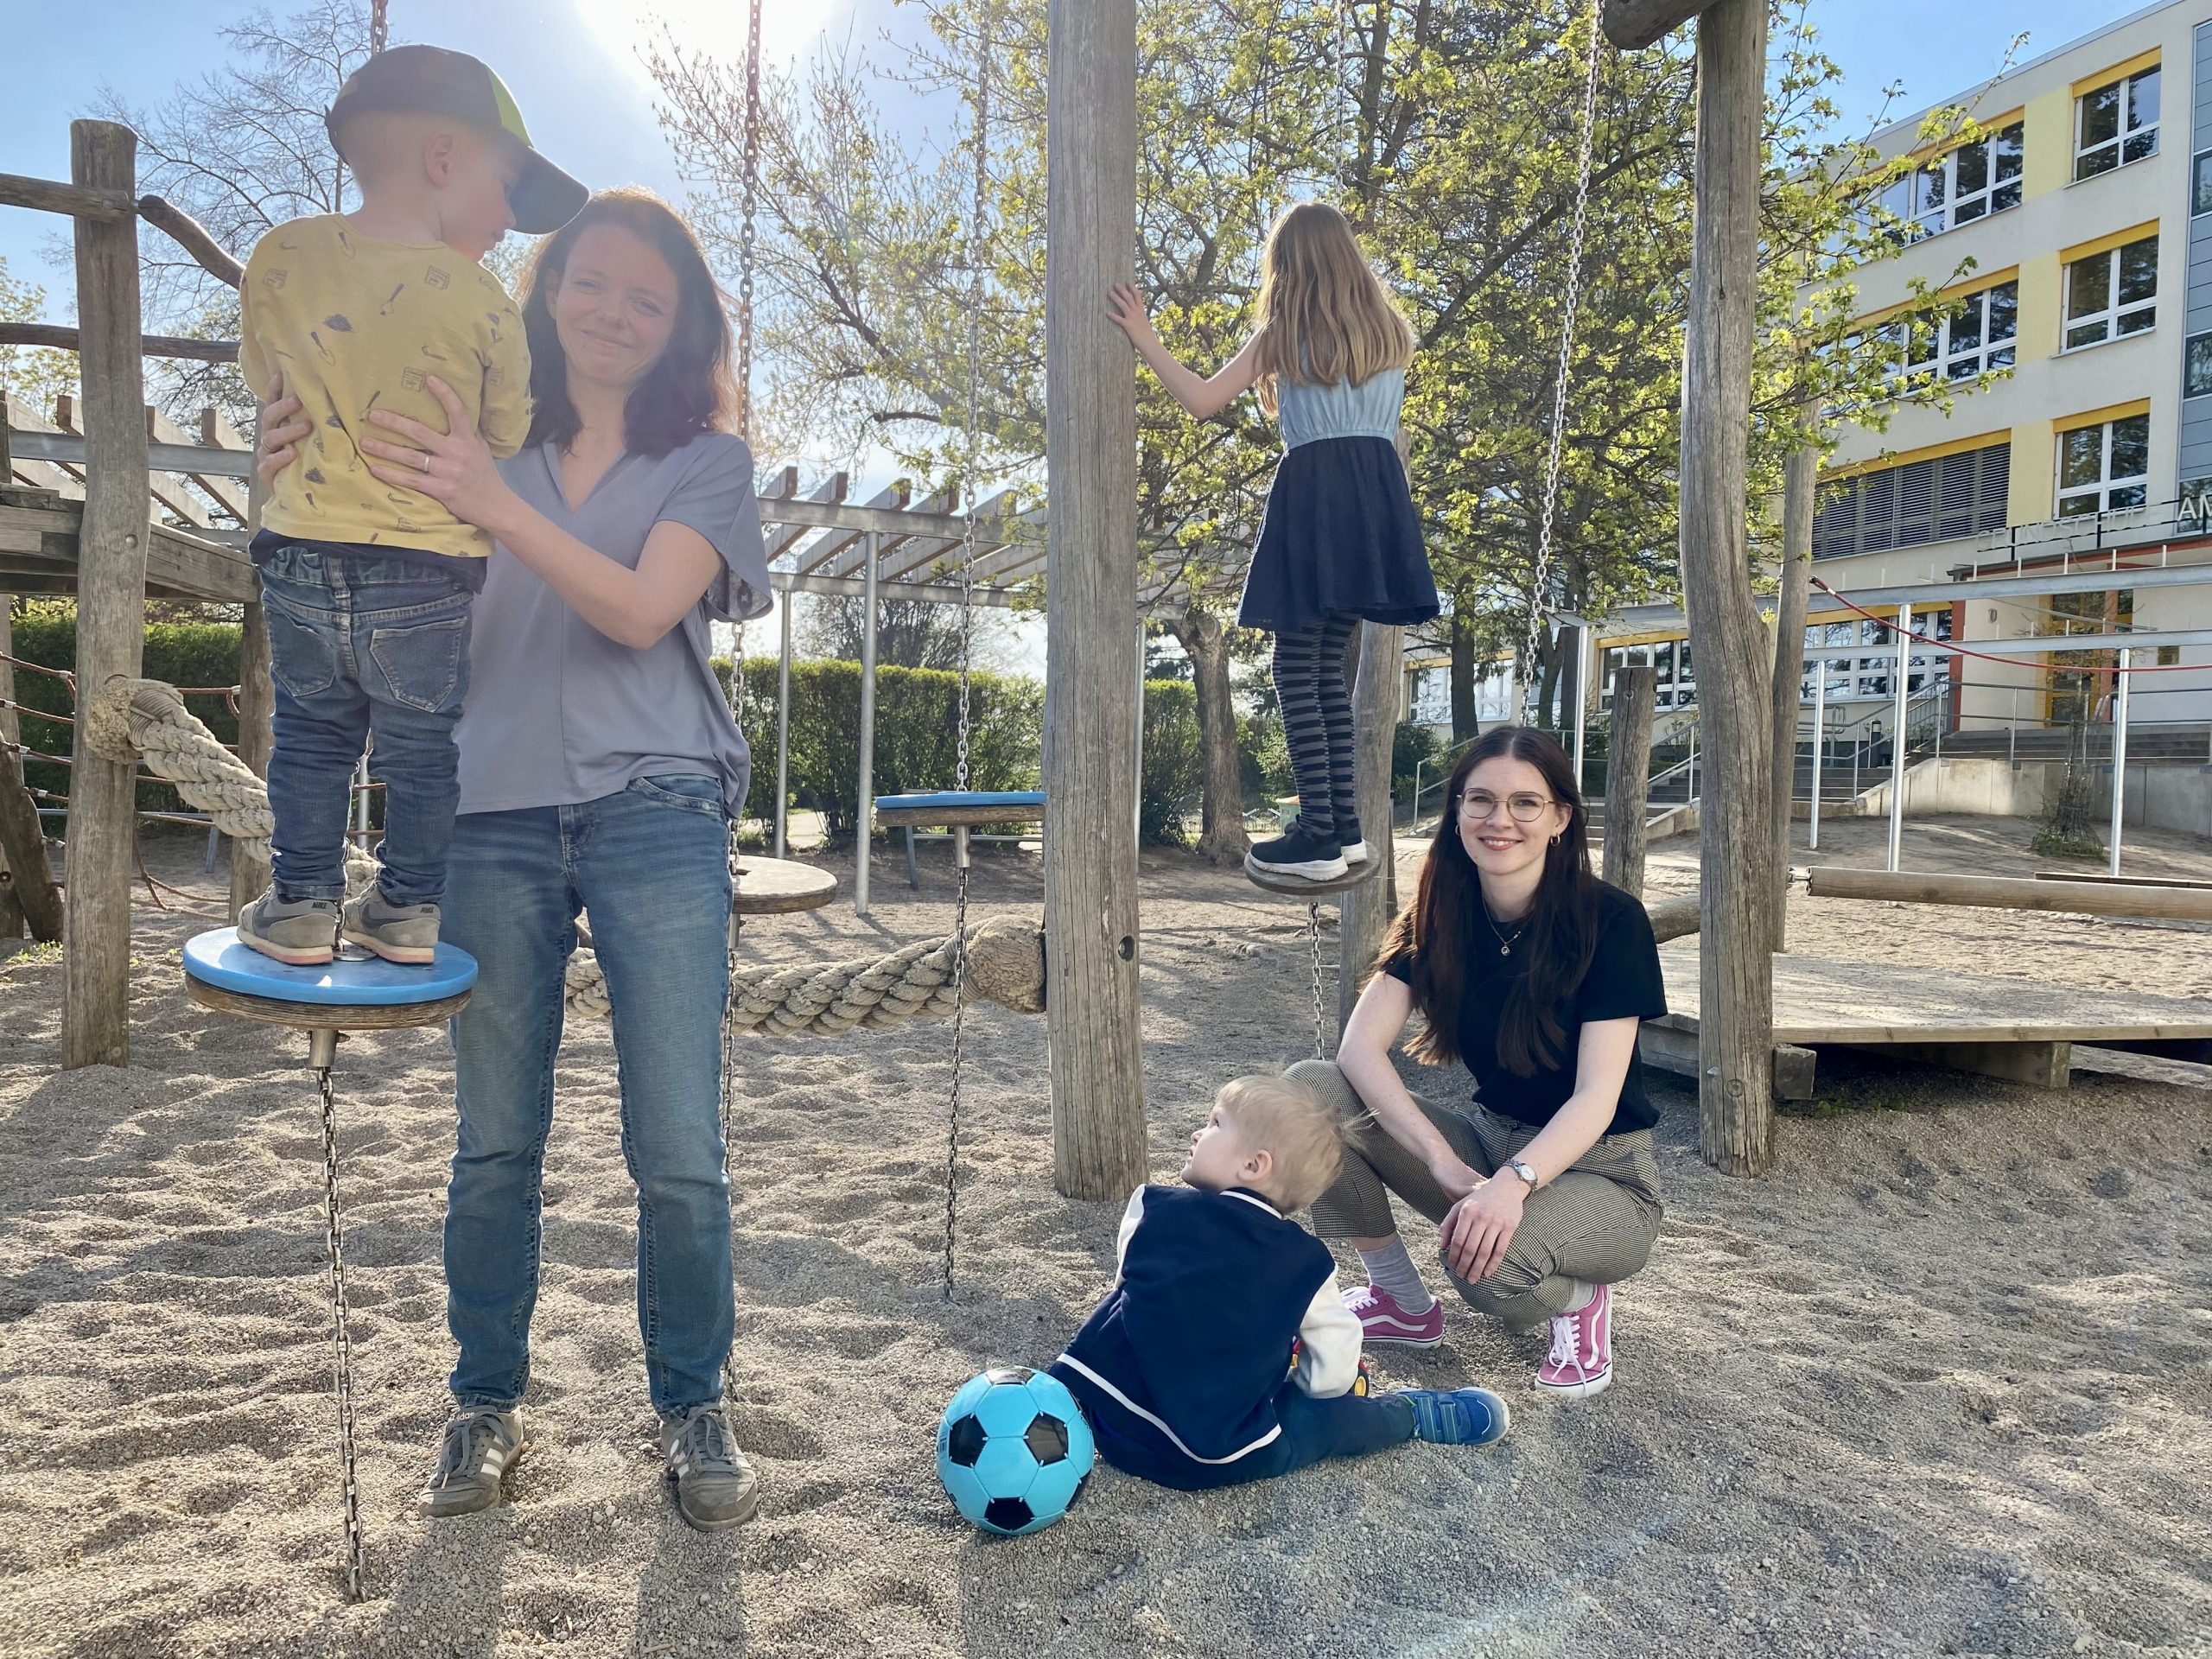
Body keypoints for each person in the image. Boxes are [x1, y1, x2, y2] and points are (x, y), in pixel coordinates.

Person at [257, 188, 772, 1530]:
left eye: (645, 299)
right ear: (544, 294)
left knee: (678, 1144)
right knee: (495, 1142)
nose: (611, 312)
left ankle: (692, 1404)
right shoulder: (466, 429)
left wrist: (487, 502)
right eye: (588, 283)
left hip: (659, 807)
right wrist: (290, 459)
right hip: (483, 812)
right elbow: (339, 546)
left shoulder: (706, 461)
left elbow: (639, 608)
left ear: (681, 327)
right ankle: (483, 1403)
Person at [235, 44, 586, 968]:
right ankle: (406, 910)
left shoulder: (283, 255)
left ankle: (304, 906)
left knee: (310, 737)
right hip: (428, 568)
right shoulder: (480, 299)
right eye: (506, 188)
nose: (511, 218)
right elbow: (505, 430)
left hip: (302, 551)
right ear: (442, 159)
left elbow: (268, 390)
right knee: (422, 747)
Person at [1294, 727, 1669, 1400]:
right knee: (1311, 1096)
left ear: (1559, 818)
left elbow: (1597, 1098)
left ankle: (1580, 1299)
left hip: (1603, 1170)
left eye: (1526, 803)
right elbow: (1357, 1050)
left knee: (1485, 1271)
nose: (1500, 820)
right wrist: (1439, 1157)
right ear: (1457, 813)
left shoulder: (1611, 921)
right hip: (1490, 1141)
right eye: (1481, 800)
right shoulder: (1441, 914)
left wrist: (1514, 1184)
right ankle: (1403, 1304)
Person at [1107, 202, 1438, 885]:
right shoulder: (1391, 335)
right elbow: (1387, 433)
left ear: (1289, 266)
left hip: (1315, 499)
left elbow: (1201, 401)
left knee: (1296, 666)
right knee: (1325, 670)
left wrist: (1143, 335)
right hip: (1375, 503)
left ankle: (1319, 833)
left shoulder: (1284, 335)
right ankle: (1344, 831)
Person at [1049, 1075, 1510, 1493]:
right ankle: (1408, 1416)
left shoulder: (1150, 1206)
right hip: (1209, 1454)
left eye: (1213, 1124)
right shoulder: (1307, 1263)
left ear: (1254, 1164)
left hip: (1106, 1415)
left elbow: (1130, 1292)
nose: (1196, 1134)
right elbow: (1336, 1342)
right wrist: (1319, 1395)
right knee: (1320, 1426)